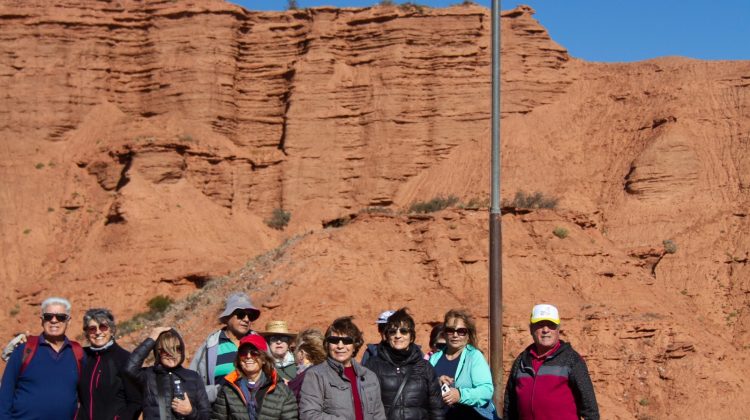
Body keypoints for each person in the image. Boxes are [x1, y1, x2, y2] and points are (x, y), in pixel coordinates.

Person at [503, 304, 599, 420]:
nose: (545, 330)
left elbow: (590, 408)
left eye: (551, 325)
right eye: (540, 325)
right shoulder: (521, 361)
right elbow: (510, 406)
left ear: (558, 329)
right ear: (531, 329)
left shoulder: (571, 359)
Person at [0, 297, 84, 419]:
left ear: (68, 321)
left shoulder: (77, 352)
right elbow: (5, 394)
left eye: (60, 317)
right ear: (41, 320)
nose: (54, 321)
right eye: (48, 316)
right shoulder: (24, 350)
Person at [363, 308, 444, 420]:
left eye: (403, 331)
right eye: (392, 332)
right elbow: (365, 405)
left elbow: (436, 409)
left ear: (411, 336)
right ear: (387, 336)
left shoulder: (425, 367)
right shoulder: (373, 365)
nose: (398, 335)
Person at [299, 316, 386, 420]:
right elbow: (308, 415)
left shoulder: (369, 376)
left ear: (355, 345)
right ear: (327, 344)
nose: (340, 346)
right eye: (334, 340)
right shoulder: (316, 375)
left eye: (347, 341)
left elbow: (378, 415)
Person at [125, 326, 210, 420]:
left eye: (177, 348)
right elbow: (129, 368)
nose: (171, 354)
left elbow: (206, 415)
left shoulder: (193, 377)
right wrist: (152, 338)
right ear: (158, 352)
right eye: (165, 350)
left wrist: (190, 412)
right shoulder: (148, 376)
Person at [190, 292, 261, 402]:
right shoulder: (211, 345)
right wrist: (216, 392)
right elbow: (192, 382)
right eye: (241, 314)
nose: (246, 319)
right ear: (228, 317)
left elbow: (273, 376)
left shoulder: (259, 343)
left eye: (250, 316)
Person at [211, 334, 299, 419]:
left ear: (264, 359)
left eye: (254, 353)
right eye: (243, 353)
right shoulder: (228, 390)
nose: (248, 356)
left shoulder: (282, 392)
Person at [428, 309, 495, 420]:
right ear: (444, 333)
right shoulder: (434, 359)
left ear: (468, 334)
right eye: (450, 330)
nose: (455, 335)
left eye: (461, 331)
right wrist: (436, 382)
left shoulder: (474, 357)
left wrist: (460, 395)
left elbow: (486, 390)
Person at [77, 308, 142, 420]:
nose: (98, 332)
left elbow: (136, 401)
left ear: (111, 330)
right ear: (87, 333)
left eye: (103, 327)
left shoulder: (125, 358)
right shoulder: (81, 356)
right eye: (92, 328)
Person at [287, 329, 327, 403]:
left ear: (302, 353)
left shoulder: (309, 376)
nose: (293, 353)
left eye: (293, 349)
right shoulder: (325, 371)